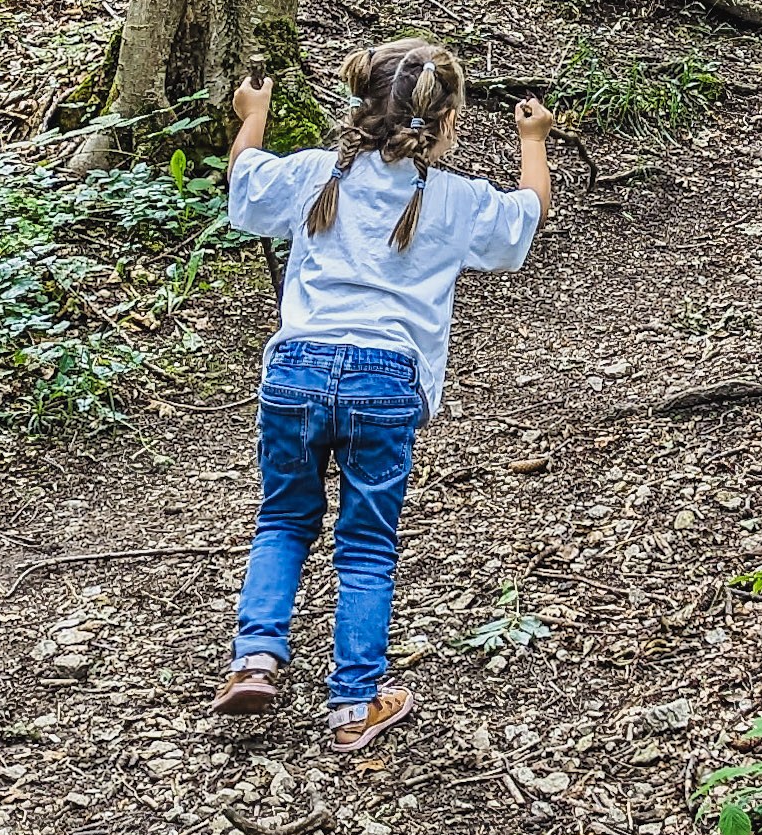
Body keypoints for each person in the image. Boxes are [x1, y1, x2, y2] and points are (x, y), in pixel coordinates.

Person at [209, 39, 554, 752]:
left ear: (361, 104)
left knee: (283, 518)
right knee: (367, 546)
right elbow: (524, 221)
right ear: (447, 120)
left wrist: (254, 114)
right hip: (386, 382)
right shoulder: (456, 199)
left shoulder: (312, 174)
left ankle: (256, 658)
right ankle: (352, 704)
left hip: (297, 370)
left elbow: (245, 186)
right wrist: (533, 140)